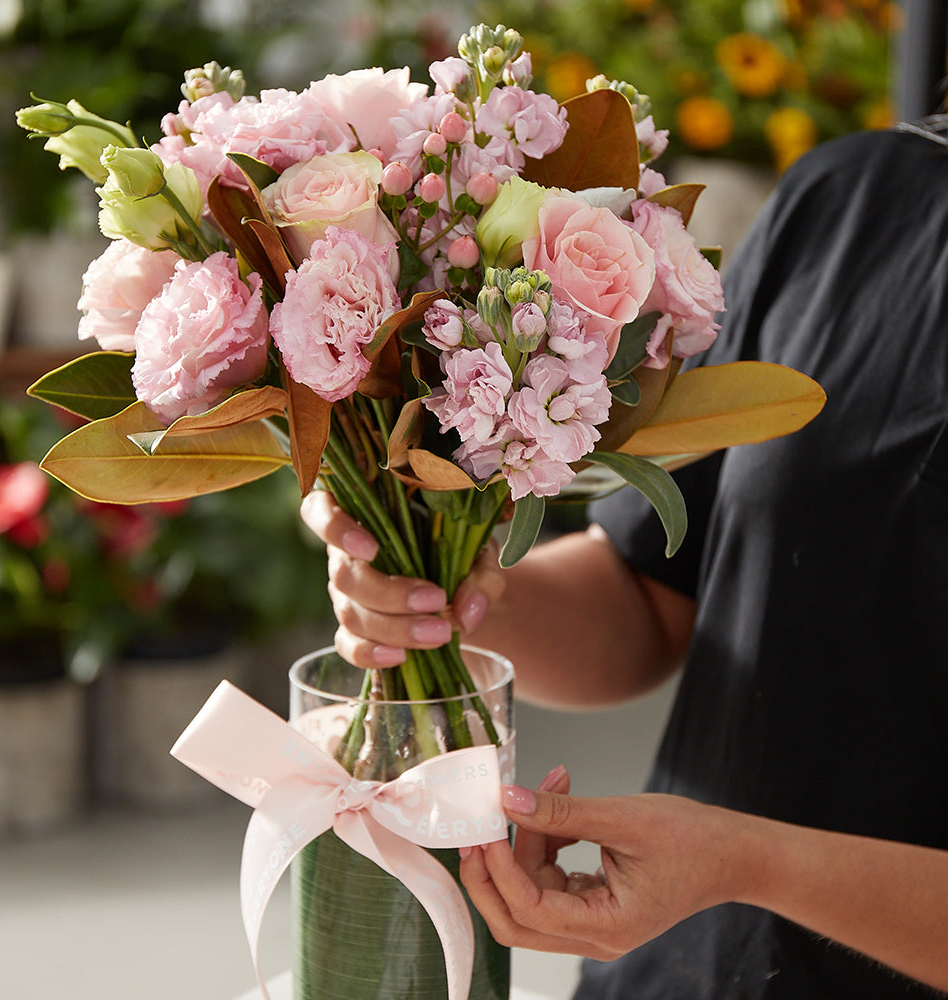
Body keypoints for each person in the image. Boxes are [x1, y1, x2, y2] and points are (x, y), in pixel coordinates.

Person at [300, 125, 948, 999]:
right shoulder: (856, 202)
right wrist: (437, 582)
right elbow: (650, 601)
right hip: (678, 973)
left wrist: (750, 863)